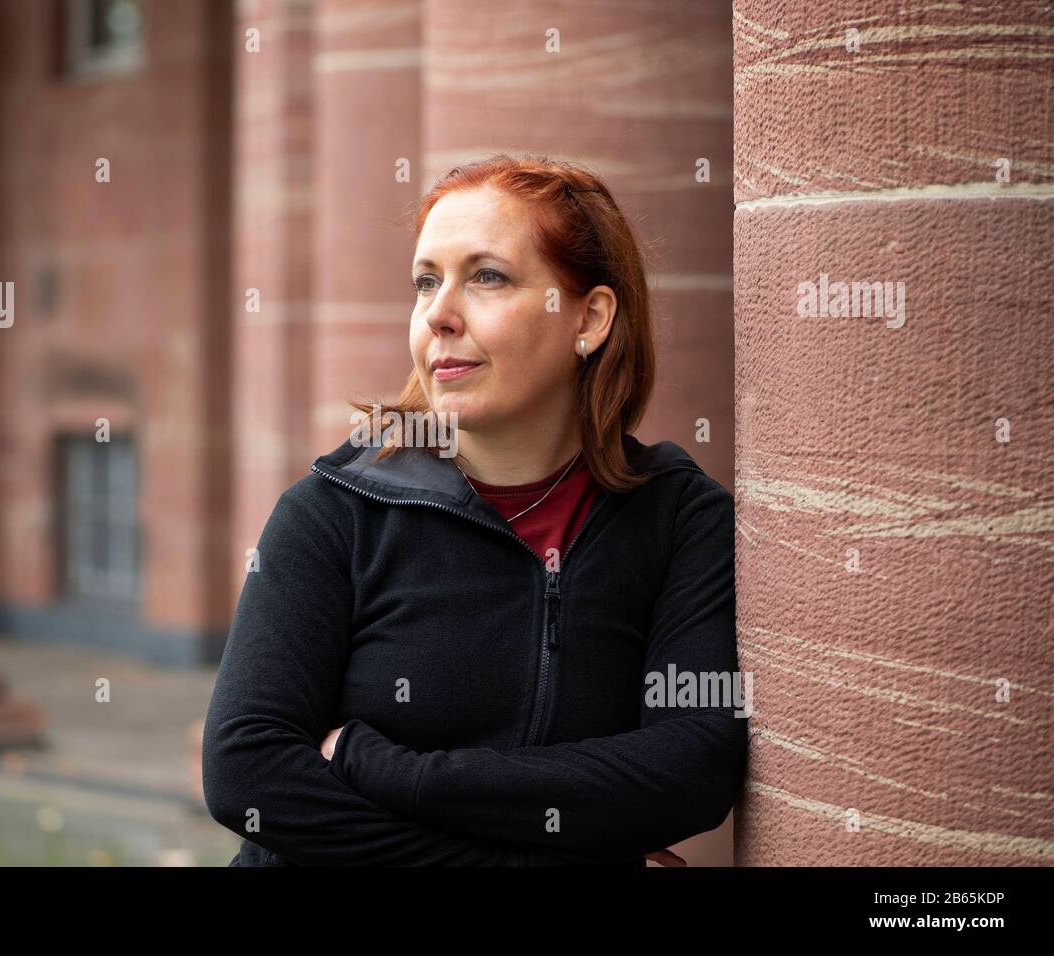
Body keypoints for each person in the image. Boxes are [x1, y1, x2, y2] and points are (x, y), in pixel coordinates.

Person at [202, 154, 747, 866]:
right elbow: (250, 775)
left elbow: (692, 767)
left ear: (589, 318)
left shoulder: (678, 518)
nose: (439, 314)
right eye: (426, 281)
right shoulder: (336, 512)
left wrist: (373, 762)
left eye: (487, 277)